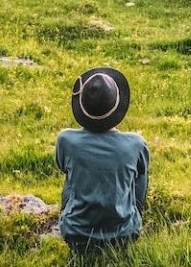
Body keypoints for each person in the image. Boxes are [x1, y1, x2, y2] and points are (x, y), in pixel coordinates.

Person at [55, 67, 150, 255]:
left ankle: (78, 221)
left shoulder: (65, 139)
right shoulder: (136, 143)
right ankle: (129, 216)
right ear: (118, 103)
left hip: (76, 234)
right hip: (125, 235)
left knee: (72, 177)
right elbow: (140, 180)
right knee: (140, 175)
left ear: (82, 106)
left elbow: (62, 167)